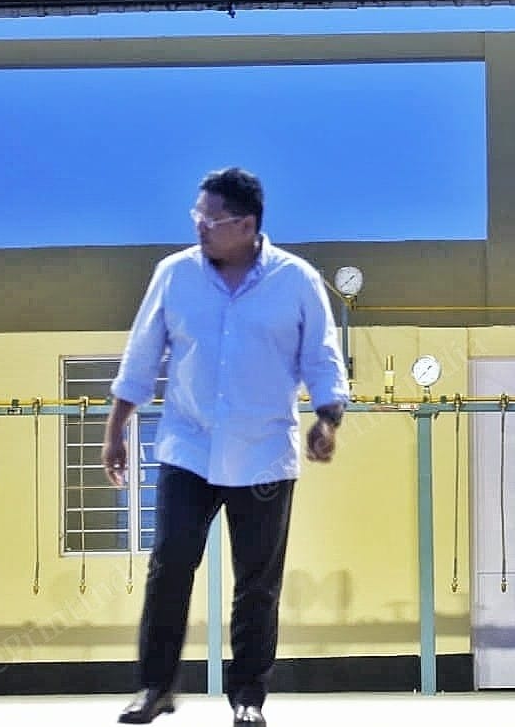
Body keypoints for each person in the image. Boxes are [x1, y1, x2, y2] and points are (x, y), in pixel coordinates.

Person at [101, 167, 350, 727]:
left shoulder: (297, 280)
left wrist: (327, 421)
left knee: (257, 584)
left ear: (246, 224)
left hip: (264, 453)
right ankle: (156, 688)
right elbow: (142, 355)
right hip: (187, 448)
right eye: (197, 218)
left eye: (210, 221)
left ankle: (247, 699)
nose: (200, 229)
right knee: (169, 567)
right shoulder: (174, 275)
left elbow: (322, 361)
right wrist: (116, 428)